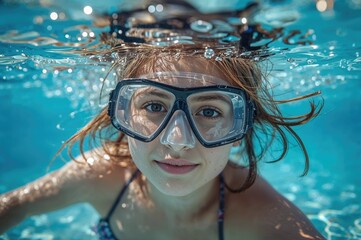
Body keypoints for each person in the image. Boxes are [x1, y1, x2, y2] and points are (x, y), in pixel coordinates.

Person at [0, 2, 325, 240]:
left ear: (239, 130)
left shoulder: (264, 219)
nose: (177, 139)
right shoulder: (101, 175)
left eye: (210, 112)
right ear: (121, 114)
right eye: (154, 105)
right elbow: (12, 207)